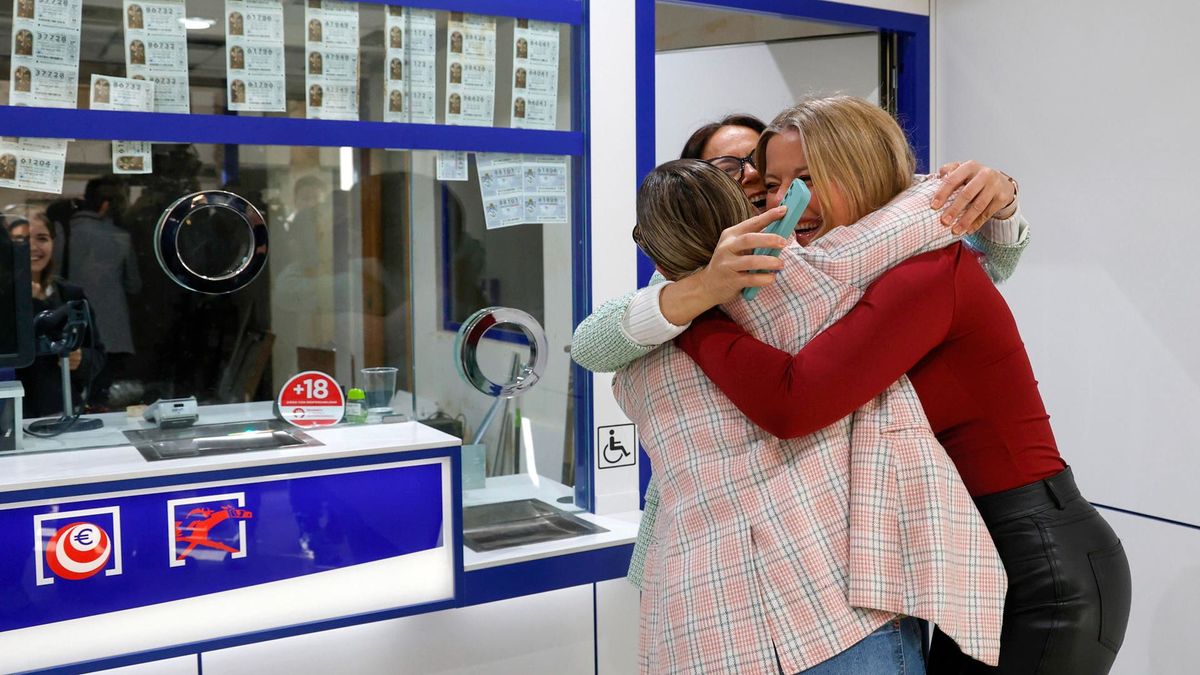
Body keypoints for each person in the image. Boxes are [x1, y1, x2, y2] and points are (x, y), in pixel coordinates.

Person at [666, 102, 1133, 674]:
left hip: (1041, 567)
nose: (785, 200)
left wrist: (692, 307)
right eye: (775, 183)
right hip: (977, 553)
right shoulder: (838, 280)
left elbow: (793, 403)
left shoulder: (929, 270)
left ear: (862, 172)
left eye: (808, 179)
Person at [616, 112, 1007, 672]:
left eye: (776, 179)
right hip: (826, 599)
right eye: (745, 178)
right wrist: (979, 189)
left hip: (704, 615)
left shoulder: (640, 356)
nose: (770, 193)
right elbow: (922, 223)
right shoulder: (816, 281)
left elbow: (592, 345)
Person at [9, 215, 105, 418]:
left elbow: (97, 355)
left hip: (64, 413)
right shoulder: (4, 297)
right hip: (12, 417)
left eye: (42, 238)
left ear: (53, 242)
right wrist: (32, 303)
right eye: (21, 240)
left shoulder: (70, 293)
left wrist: (81, 360)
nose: (33, 247)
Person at [67, 176, 140, 405]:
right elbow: (134, 284)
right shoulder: (121, 238)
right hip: (113, 332)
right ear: (107, 205)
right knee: (103, 394)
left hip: (73, 326)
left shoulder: (64, 232)